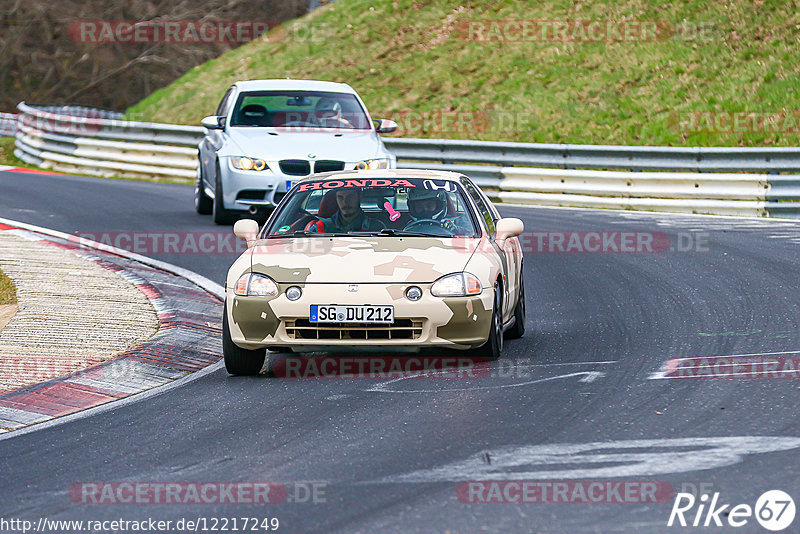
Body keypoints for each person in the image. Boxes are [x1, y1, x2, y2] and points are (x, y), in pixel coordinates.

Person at [310, 188, 385, 233]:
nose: (345, 202)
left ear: (360, 197)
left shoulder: (376, 228)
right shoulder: (320, 228)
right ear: (336, 199)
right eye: (340, 197)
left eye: (350, 197)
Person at [404, 188, 472, 234]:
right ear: (412, 208)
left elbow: (472, 234)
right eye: (419, 207)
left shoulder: (459, 221)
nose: (425, 210)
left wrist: (455, 229)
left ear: (440, 205)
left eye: (429, 206)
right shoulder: (405, 224)